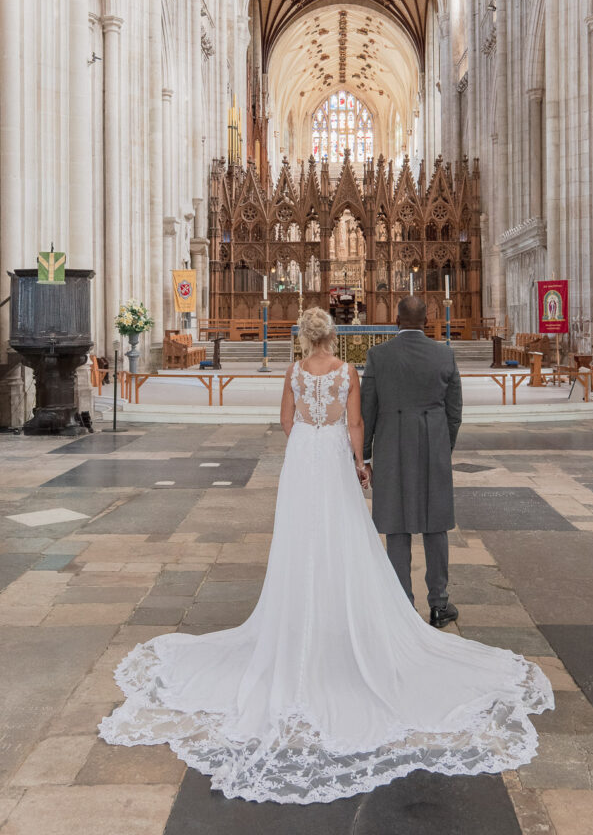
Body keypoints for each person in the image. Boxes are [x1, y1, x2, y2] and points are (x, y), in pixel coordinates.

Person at [99, 307, 553, 804]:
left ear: (302, 337)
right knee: (365, 531)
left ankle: (329, 607)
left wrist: (312, 448)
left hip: (305, 460)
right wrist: (359, 460)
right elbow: (363, 420)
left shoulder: (301, 370)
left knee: (309, 534)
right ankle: (408, 602)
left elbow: (288, 420)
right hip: (352, 453)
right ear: (334, 337)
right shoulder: (360, 368)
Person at [360, 295, 462, 626]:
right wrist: (442, 446)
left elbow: (367, 410)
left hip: (391, 444)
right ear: (427, 320)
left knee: (396, 525)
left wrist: (364, 455)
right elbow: (454, 411)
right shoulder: (444, 354)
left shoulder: (378, 355)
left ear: (396, 319)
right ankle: (439, 603)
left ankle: (402, 602)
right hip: (433, 441)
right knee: (435, 524)